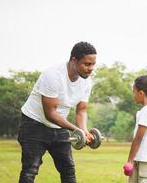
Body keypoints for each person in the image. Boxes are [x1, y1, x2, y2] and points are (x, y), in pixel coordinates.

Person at [18, 41, 97, 183]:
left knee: (68, 170)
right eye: (87, 64)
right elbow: (50, 114)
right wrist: (76, 129)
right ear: (74, 60)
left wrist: (84, 130)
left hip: (59, 126)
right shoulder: (53, 75)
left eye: (93, 64)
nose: (91, 68)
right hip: (34, 123)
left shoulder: (86, 81)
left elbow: (81, 110)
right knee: (30, 170)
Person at [123, 75, 147, 183]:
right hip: (139, 157)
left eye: (134, 91)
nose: (133, 95)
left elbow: (138, 138)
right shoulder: (145, 111)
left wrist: (129, 161)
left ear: (141, 93)